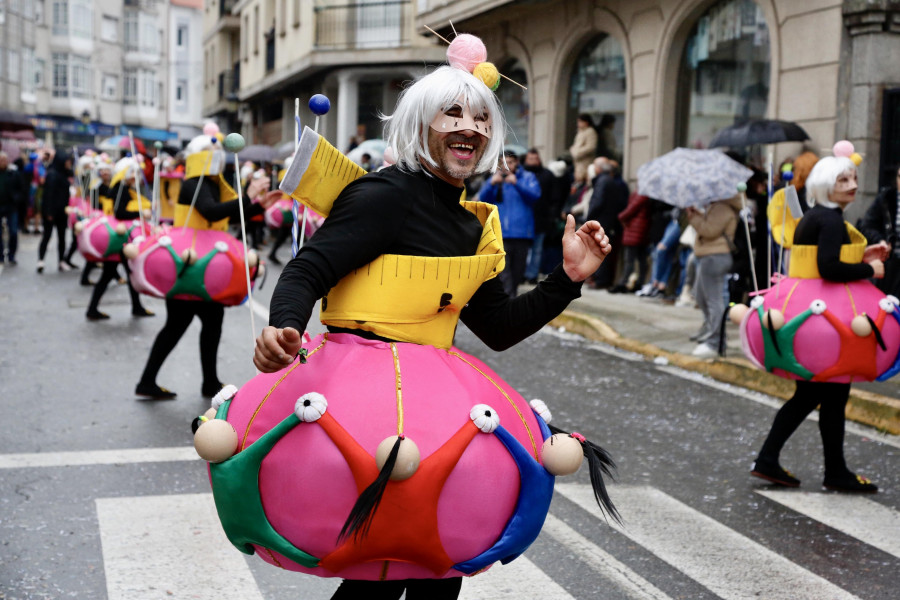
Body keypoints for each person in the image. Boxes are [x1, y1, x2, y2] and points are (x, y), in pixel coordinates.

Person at [253, 64, 611, 600]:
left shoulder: (472, 224)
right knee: (373, 573)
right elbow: (308, 269)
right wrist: (284, 326)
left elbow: (496, 327)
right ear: (421, 124)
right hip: (363, 400)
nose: (470, 126)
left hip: (433, 404)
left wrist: (567, 279)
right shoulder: (383, 195)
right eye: (452, 113)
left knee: (440, 567)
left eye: (482, 117)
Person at [751, 155, 886, 492]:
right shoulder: (829, 220)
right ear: (826, 184)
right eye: (843, 180)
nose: (853, 185)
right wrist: (870, 271)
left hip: (813, 315)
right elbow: (827, 266)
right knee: (820, 394)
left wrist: (862, 255)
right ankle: (825, 470)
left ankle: (813, 466)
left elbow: (820, 259)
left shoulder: (817, 216)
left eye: (853, 178)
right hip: (825, 319)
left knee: (820, 395)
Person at [135, 136, 280, 399]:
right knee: (188, 324)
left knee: (202, 324)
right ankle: (192, 382)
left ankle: (203, 382)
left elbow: (227, 214)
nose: (216, 156)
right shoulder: (194, 182)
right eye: (210, 151)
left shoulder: (210, 183)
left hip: (202, 264)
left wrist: (257, 203)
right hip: (191, 263)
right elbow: (212, 212)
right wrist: (248, 193)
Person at [85, 158, 153, 321]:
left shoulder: (121, 188)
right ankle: (94, 309)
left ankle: (135, 306)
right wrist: (140, 214)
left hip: (121, 237)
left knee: (123, 273)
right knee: (118, 273)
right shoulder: (121, 189)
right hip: (121, 238)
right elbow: (119, 213)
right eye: (135, 173)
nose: (137, 176)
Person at [478, 149, 541, 297]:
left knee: (518, 272)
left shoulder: (527, 177)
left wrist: (517, 183)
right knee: (504, 272)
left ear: (516, 163)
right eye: (503, 163)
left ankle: (511, 298)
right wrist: (491, 184)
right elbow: (482, 201)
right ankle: (509, 302)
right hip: (501, 233)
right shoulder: (495, 179)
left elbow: (535, 196)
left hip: (522, 233)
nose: (506, 166)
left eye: (510, 162)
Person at [686, 194, 741, 358]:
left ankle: (715, 342)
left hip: (715, 257)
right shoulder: (718, 206)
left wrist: (692, 217)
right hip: (709, 256)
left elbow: (709, 230)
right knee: (701, 296)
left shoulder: (722, 207)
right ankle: (712, 332)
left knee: (714, 300)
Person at [585, 156, 628, 288]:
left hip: (602, 221)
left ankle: (600, 280)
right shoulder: (608, 181)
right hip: (608, 221)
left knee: (599, 251)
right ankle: (601, 279)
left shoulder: (603, 181)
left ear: (598, 168)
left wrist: (589, 218)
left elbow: (597, 202)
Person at [860, 163, 900, 296]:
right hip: (890, 265)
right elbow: (867, 225)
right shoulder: (886, 198)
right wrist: (881, 240)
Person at [522, 149, 556, 284]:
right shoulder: (521, 175)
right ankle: (523, 273)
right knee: (524, 250)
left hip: (541, 218)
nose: (532, 162)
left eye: (534, 159)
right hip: (524, 219)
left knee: (537, 250)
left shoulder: (547, 175)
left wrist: (551, 216)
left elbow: (553, 198)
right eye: (530, 159)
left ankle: (532, 274)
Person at [37, 151, 74, 274]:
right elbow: (49, 195)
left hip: (62, 212)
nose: (69, 163)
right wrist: (49, 212)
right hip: (52, 212)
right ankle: (41, 260)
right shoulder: (53, 174)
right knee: (47, 236)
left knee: (62, 237)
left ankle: (61, 261)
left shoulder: (64, 174)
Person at [610, 191, 651, 293]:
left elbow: (632, 207)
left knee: (630, 259)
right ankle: (639, 283)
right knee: (641, 258)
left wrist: (620, 216)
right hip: (641, 227)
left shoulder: (643, 192)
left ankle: (623, 283)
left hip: (635, 227)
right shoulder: (647, 192)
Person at [0, 151, 24, 265]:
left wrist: (16, 198)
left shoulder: (13, 173)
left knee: (13, 231)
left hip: (11, 206)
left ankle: (11, 255)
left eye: (4, 160)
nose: (2, 163)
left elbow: (21, 189)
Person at [568, 113, 598, 185]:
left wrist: (577, 152)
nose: (578, 124)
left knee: (584, 183)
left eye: (580, 121)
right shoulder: (580, 132)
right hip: (578, 163)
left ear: (586, 122)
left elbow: (591, 147)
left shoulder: (590, 131)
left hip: (585, 163)